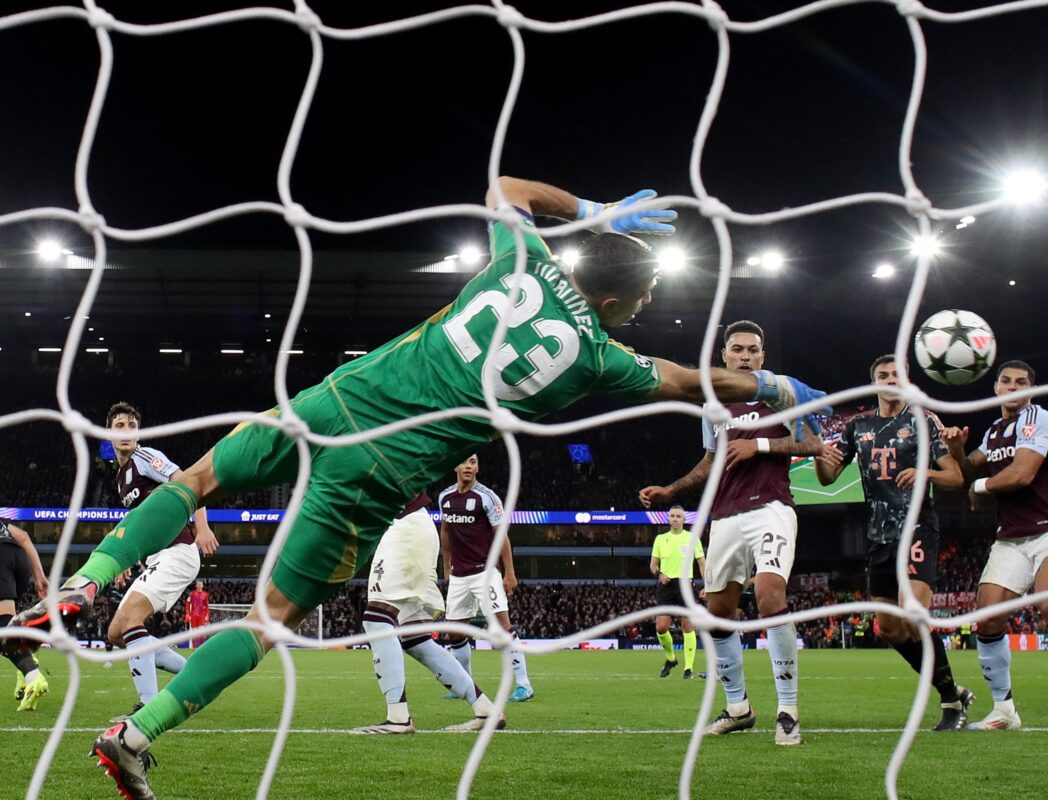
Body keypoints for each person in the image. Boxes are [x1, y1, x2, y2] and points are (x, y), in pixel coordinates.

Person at [9, 177, 824, 799]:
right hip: (376, 472)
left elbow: (504, 187)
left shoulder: (524, 258)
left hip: (330, 403)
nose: (641, 311)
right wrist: (778, 387)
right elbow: (689, 382)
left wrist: (594, 209)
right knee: (270, 622)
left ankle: (79, 584)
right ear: (610, 302)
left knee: (194, 477)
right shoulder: (599, 360)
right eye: (640, 302)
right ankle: (136, 732)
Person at [639, 320, 835, 746]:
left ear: (762, 357)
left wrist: (759, 446)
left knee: (769, 595)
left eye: (752, 350)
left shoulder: (784, 395)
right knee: (718, 612)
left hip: (772, 506)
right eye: (737, 350)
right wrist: (671, 489)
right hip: (725, 515)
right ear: (724, 357)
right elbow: (712, 460)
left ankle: (788, 710)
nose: (745, 356)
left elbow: (813, 445)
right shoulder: (714, 406)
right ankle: (738, 707)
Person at [814, 354, 973, 731]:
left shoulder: (922, 421)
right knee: (888, 628)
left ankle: (951, 703)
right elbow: (827, 479)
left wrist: (925, 472)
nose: (889, 380)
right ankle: (952, 688)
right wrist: (823, 454)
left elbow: (955, 478)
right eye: (882, 375)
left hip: (916, 526)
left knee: (914, 615)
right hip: (878, 534)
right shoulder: (858, 426)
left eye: (895, 374)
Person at [942, 361, 1048, 734]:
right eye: (1006, 381)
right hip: (1011, 537)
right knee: (988, 616)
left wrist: (978, 488)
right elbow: (967, 471)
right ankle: (1004, 710)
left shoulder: (1037, 418)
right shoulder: (995, 431)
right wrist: (958, 450)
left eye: (1021, 382)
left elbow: (1022, 473)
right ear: (996, 387)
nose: (1013, 387)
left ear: (1031, 390)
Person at [102, 403, 220, 723]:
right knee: (116, 633)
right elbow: (141, 524)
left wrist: (203, 527)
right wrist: (126, 556)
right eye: (119, 426)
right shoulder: (121, 479)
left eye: (131, 426)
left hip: (178, 552)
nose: (125, 432)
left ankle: (149, 706)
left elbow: (191, 482)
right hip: (156, 558)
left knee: (129, 621)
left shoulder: (145, 458)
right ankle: (192, 674)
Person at [353, 493, 505, 734]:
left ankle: (398, 718)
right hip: (412, 526)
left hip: (405, 527)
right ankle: (486, 710)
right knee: (415, 639)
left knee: (376, 619)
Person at [438, 454, 533, 702]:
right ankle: (465, 686)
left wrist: (509, 572)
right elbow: (445, 531)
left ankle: (524, 684)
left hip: (485, 572)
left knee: (502, 626)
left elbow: (502, 535)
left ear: (478, 467)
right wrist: (447, 566)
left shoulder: (487, 497)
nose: (469, 467)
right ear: (455, 466)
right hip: (459, 575)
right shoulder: (445, 497)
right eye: (464, 462)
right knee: (455, 633)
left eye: (474, 462)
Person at [649, 505, 706, 679]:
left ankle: (688, 668)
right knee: (661, 627)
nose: (675, 519)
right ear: (668, 519)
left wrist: (707, 585)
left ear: (684, 519)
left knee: (688, 626)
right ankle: (671, 659)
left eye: (678, 516)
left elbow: (702, 563)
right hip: (666, 586)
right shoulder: (660, 539)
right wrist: (659, 573)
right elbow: (653, 565)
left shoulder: (692, 538)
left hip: (685, 585)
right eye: (672, 516)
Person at [0, 519, 48, 710]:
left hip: (1, 557)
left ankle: (33, 676)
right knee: (5, 625)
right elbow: (23, 537)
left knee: (3, 626)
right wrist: (40, 577)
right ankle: (26, 661)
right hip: (19, 558)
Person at [184, 580, 210, 648]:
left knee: (201, 631)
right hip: (193, 615)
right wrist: (187, 613)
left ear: (202, 585)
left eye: (200, 584)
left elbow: (206, 605)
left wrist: (207, 615)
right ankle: (194, 647)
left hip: (202, 615)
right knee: (194, 631)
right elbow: (188, 603)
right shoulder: (192, 593)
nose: (199, 585)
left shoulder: (206, 594)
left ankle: (201, 647)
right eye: (198, 584)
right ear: (196, 585)